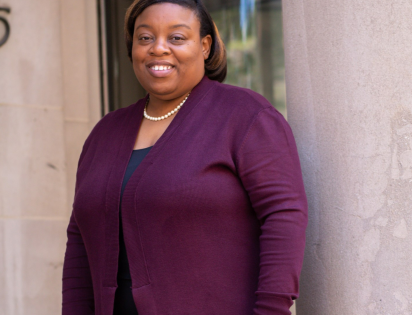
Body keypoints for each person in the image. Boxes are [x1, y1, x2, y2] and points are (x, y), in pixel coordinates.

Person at [61, 0, 307, 314]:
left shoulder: (245, 116)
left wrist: (271, 310)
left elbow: (284, 215)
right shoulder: (104, 133)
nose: (158, 48)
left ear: (205, 46)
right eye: (145, 38)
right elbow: (79, 239)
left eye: (176, 38)